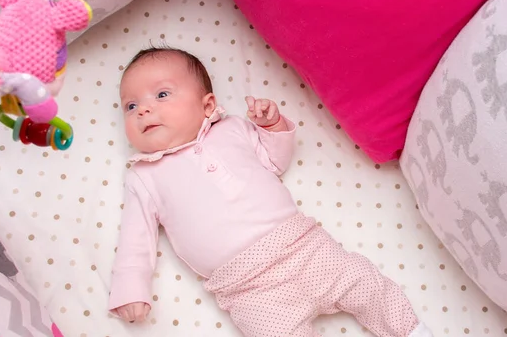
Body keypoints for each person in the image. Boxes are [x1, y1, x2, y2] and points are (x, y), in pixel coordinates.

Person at [108, 46, 433, 337]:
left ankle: (411, 331)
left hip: (304, 250)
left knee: (364, 283)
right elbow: (135, 240)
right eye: (131, 105)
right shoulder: (144, 176)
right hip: (249, 289)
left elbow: (274, 162)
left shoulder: (233, 129)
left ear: (208, 105)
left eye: (161, 95)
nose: (143, 110)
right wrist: (130, 290)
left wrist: (272, 127)